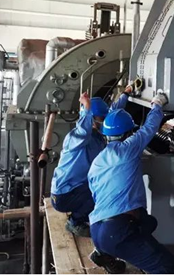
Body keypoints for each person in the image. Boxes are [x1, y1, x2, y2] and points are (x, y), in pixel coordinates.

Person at [87, 91, 174, 274]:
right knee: (170, 268)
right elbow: (150, 127)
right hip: (117, 232)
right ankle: (117, 250)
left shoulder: (97, 162)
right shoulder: (128, 148)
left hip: (97, 229)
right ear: (128, 133)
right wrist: (157, 104)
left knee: (149, 222)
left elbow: (95, 193)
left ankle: (102, 252)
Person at [51, 87, 132, 237]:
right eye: (100, 119)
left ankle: (84, 215)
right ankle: (75, 222)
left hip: (75, 189)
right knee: (102, 191)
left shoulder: (97, 136)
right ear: (91, 119)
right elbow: (83, 130)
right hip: (64, 196)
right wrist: (87, 108)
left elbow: (112, 112)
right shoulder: (76, 139)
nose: (103, 122)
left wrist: (126, 93)